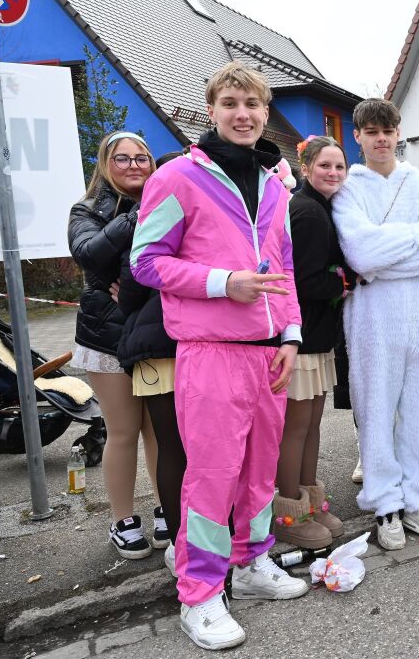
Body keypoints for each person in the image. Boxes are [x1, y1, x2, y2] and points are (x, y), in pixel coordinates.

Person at [132, 62, 309, 650]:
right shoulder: (177, 177)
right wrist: (221, 282)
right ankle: (200, 593)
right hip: (210, 352)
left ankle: (251, 562)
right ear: (210, 109)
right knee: (211, 478)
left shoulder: (276, 184)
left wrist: (289, 336)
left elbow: (282, 269)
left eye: (253, 105)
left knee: (260, 471)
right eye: (231, 103)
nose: (243, 114)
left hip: (268, 355)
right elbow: (146, 260)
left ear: (264, 113)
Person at [332, 98, 419, 551]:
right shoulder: (348, 188)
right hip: (371, 320)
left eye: (388, 130)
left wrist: (381, 260)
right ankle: (385, 502)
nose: (381, 139)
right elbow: (358, 255)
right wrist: (417, 236)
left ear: (398, 133)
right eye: (372, 132)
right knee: (376, 410)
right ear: (359, 137)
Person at [68, 131, 164, 560]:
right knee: (124, 431)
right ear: (106, 165)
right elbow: (87, 253)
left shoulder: (168, 199)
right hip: (105, 336)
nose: (133, 166)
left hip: (155, 332)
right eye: (122, 159)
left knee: (159, 431)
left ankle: (168, 510)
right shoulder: (86, 209)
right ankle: (122, 520)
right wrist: (135, 216)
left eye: (141, 158)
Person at [274, 136, 352, 549]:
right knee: (295, 429)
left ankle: (310, 499)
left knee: (311, 426)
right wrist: (345, 281)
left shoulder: (319, 207)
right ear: (305, 168)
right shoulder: (306, 211)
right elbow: (301, 281)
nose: (333, 173)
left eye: (339, 166)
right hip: (300, 338)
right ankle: (288, 514)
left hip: (317, 336)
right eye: (325, 166)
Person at [116, 149, 184, 575]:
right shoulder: (151, 219)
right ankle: (181, 541)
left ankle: (184, 537)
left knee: (181, 447)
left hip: (172, 346)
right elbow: (130, 288)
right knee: (174, 447)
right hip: (158, 347)